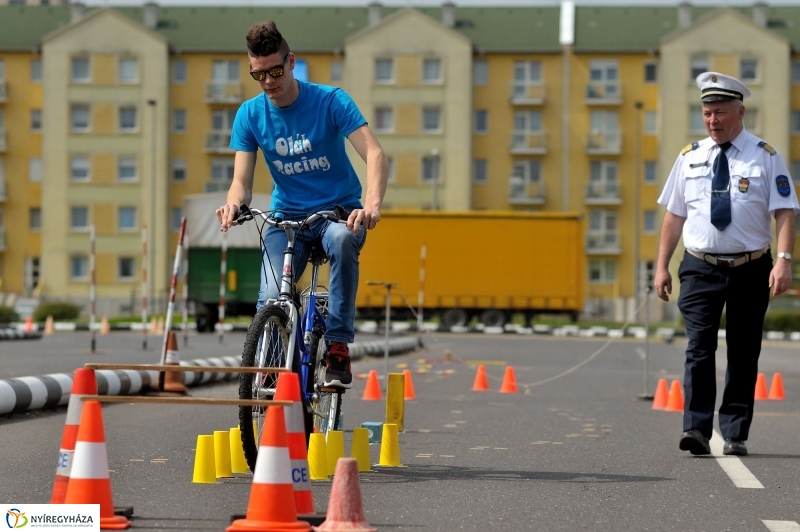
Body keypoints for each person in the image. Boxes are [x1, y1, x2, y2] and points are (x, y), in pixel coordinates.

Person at [216, 21, 388, 388]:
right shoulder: (249, 114)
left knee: (343, 241)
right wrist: (232, 204)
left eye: (275, 71)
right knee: (269, 298)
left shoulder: (330, 101)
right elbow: (240, 183)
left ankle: (338, 346)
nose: (268, 82)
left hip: (336, 213)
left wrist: (371, 204)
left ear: (291, 62)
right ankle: (277, 365)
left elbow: (374, 153)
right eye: (258, 74)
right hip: (286, 217)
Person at [655, 72, 799, 456]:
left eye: (719, 112)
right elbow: (674, 216)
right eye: (706, 113)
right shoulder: (690, 157)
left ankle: (735, 433)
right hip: (700, 266)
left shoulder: (765, 156)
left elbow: (785, 212)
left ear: (740, 112)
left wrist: (784, 261)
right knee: (699, 347)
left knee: (743, 350)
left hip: (752, 268)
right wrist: (661, 265)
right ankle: (696, 429)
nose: (712, 121)